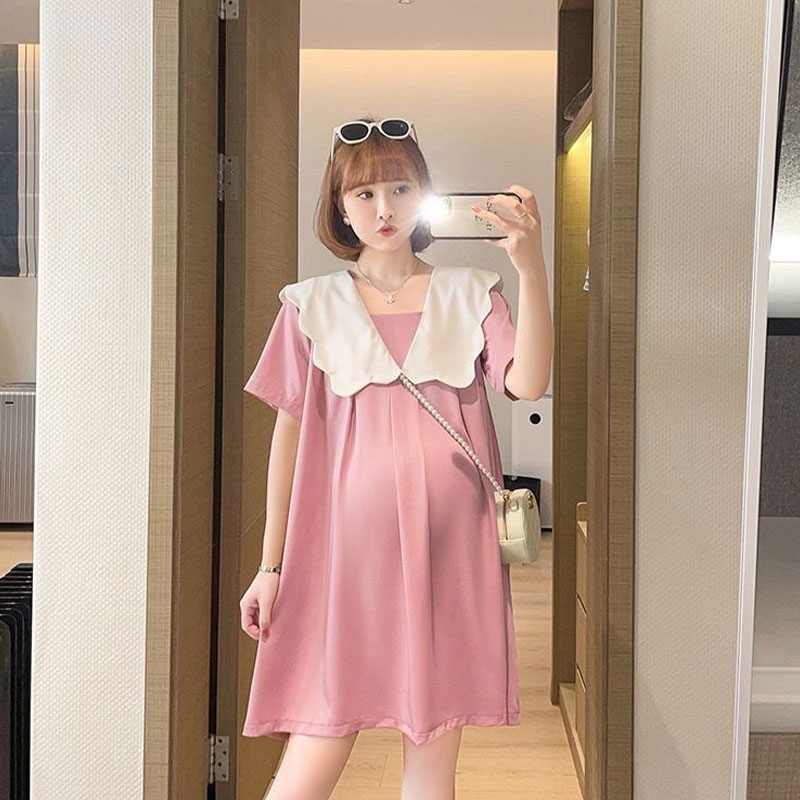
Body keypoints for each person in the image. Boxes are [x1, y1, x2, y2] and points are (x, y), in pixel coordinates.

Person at [238, 115, 553, 800]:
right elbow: (286, 441)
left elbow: (528, 382)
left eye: (401, 188)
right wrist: (270, 566)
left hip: (450, 553)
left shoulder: (473, 293)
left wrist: (530, 267)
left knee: (432, 764)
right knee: (314, 748)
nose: (384, 209)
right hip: (341, 558)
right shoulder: (309, 306)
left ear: (424, 193)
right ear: (340, 205)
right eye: (364, 193)